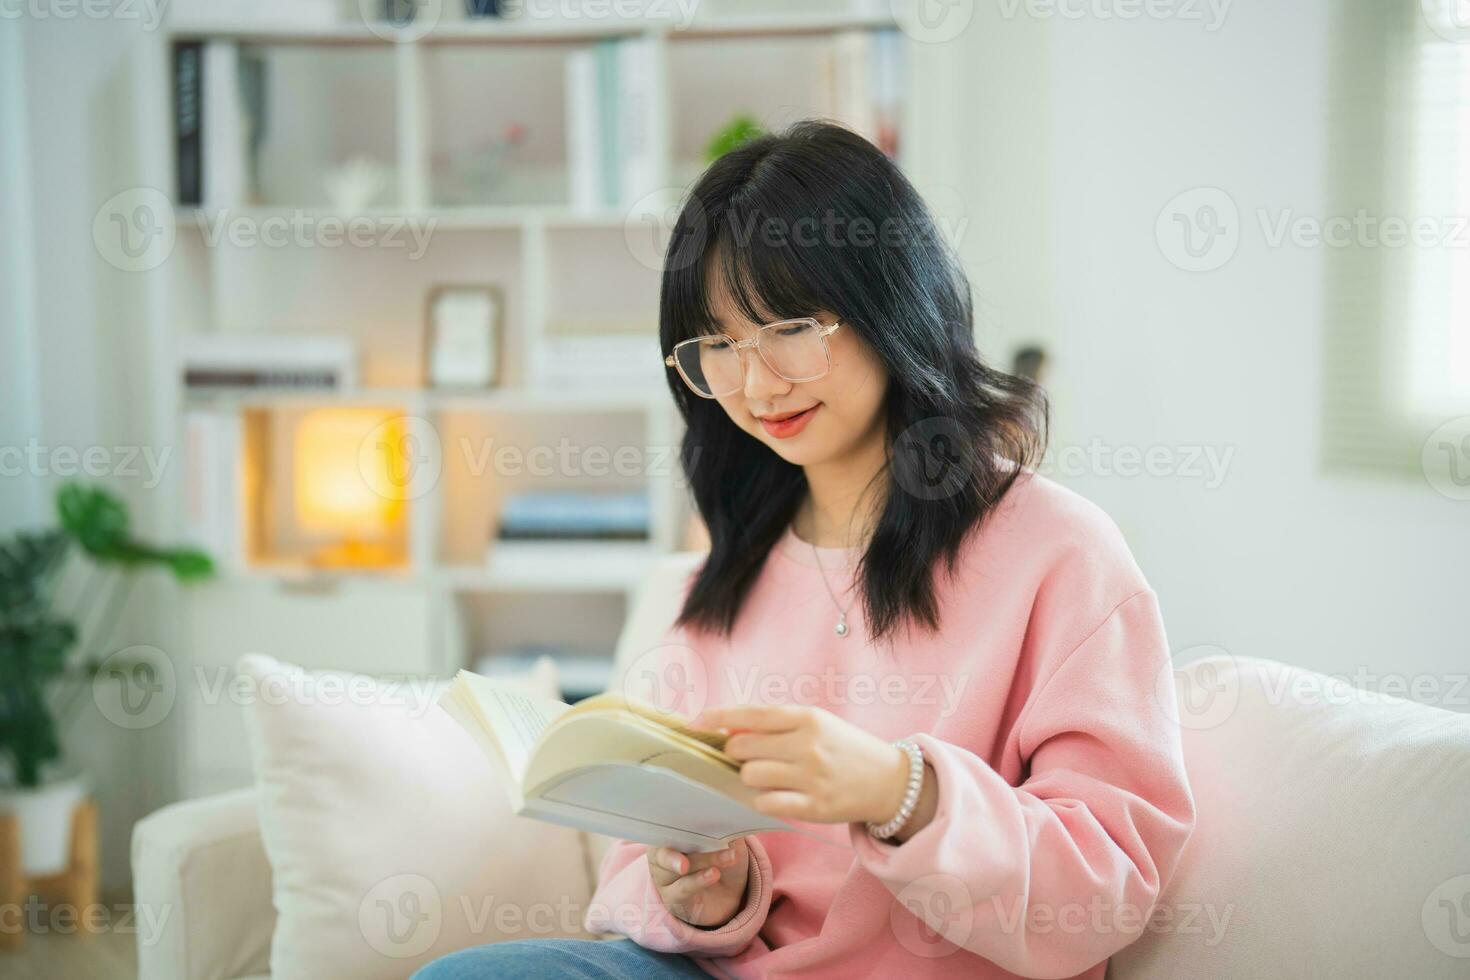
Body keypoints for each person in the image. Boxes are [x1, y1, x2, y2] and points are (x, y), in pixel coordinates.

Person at [414, 119, 1195, 980]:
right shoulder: (725, 572)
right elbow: (639, 875)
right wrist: (709, 896)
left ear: (891, 300)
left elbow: (1105, 895)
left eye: (788, 325)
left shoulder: (1060, 554)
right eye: (717, 345)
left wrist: (901, 793)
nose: (754, 385)